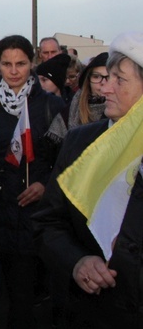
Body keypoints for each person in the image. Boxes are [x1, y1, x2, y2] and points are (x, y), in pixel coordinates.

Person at [34, 32, 143, 328]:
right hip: (91, 313)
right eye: (106, 77)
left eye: (119, 80)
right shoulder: (81, 141)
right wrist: (77, 261)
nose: (104, 88)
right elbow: (48, 222)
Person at [0, 34, 64, 328]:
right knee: (8, 284)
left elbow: (67, 160)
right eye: (7, 64)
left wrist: (46, 184)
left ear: (32, 63)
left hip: (37, 211)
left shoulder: (51, 105)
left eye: (20, 63)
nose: (13, 71)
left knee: (26, 290)